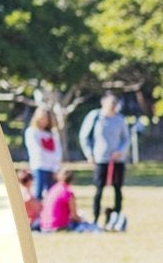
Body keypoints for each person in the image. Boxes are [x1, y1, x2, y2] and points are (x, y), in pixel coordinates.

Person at [78, 93, 130, 230]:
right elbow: (84, 137)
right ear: (103, 103)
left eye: (114, 104)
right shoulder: (95, 117)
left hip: (117, 160)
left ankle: (116, 217)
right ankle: (95, 218)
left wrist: (121, 151)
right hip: (100, 159)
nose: (112, 107)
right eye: (110, 104)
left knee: (117, 188)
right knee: (99, 189)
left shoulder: (120, 119)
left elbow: (126, 138)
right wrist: (89, 154)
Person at [23, 108, 61, 200]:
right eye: (42, 117)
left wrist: (55, 167)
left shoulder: (52, 134)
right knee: (38, 193)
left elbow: (58, 151)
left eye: (46, 118)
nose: (44, 120)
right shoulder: (32, 131)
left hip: (51, 168)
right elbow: (37, 150)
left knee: (51, 194)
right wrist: (49, 156)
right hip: (39, 166)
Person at [36, 167, 86, 233]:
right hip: (58, 227)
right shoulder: (67, 192)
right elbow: (74, 215)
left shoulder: (53, 189)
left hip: (44, 226)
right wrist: (83, 220)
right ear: (72, 179)